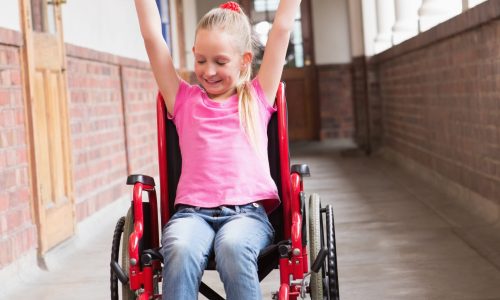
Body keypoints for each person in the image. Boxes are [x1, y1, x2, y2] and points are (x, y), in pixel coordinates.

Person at [134, 0, 301, 299]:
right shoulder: (182, 99)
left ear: (244, 60)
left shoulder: (257, 97)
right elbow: (152, 39)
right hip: (191, 216)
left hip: (246, 216)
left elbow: (282, 29)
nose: (208, 71)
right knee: (180, 247)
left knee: (233, 247)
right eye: (201, 60)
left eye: (220, 62)